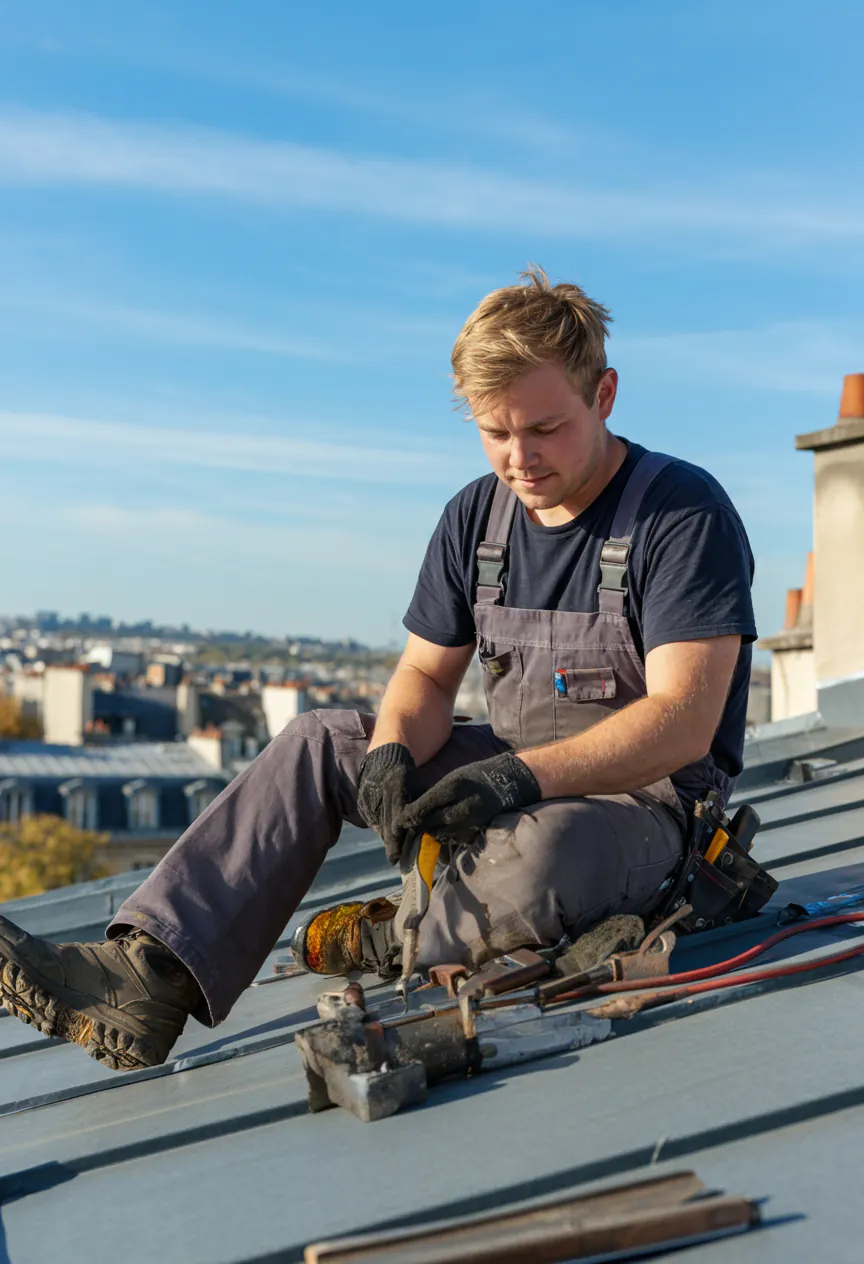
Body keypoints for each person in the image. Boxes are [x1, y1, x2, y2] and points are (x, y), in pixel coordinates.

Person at [0, 268, 756, 1072]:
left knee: (543, 858)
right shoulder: (479, 517)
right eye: (494, 433)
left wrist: (514, 782)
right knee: (323, 740)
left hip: (645, 808)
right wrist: (394, 749)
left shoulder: (680, 515)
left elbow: (683, 719)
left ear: (604, 396)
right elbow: (427, 679)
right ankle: (150, 976)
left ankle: (385, 934)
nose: (519, 458)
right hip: (517, 776)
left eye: (544, 429)